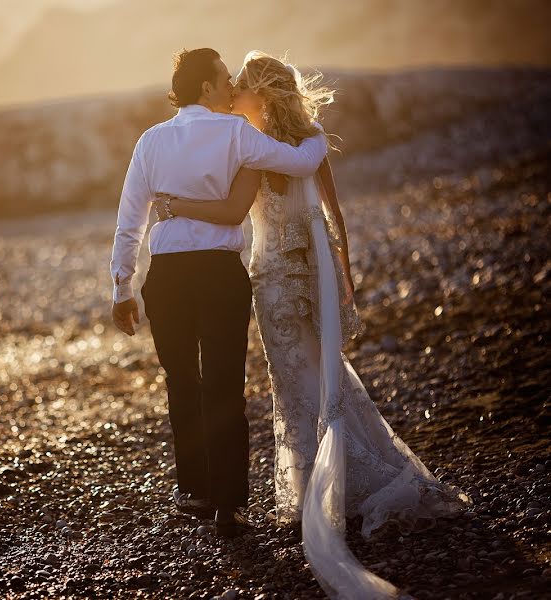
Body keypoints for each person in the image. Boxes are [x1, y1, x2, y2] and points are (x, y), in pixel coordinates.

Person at [152, 51, 471, 599]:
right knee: (306, 373)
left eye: (240, 86)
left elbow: (290, 212)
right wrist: (340, 274)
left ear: (263, 94)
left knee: (310, 373)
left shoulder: (259, 147)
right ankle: (323, 481)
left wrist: (174, 206)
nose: (231, 95)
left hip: (286, 271)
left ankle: (325, 486)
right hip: (286, 270)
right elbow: (316, 211)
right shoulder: (278, 140)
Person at [109, 48, 328, 538]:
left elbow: (130, 221)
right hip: (219, 272)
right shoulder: (236, 134)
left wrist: (122, 286)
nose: (231, 86)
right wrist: (312, 129)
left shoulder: (150, 141)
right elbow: (301, 161)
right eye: (225, 78)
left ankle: (196, 490)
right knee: (225, 383)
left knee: (181, 382)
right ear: (206, 87)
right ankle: (227, 504)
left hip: (165, 277)